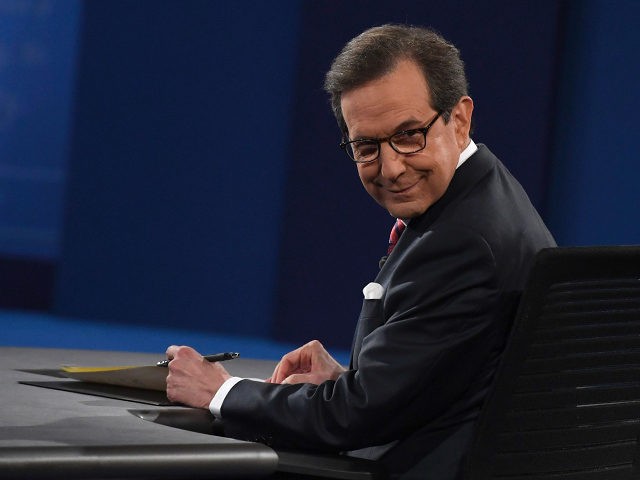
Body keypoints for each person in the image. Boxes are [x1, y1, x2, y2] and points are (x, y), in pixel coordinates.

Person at [165, 24, 556, 479]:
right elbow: (444, 381)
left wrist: (221, 391)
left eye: (410, 134)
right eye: (366, 146)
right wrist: (349, 382)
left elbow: (350, 418)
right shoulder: (484, 193)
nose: (390, 168)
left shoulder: (464, 241)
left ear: (460, 118)